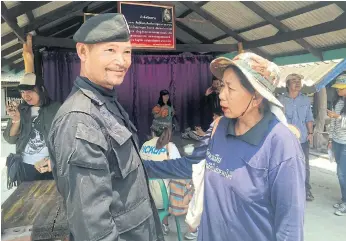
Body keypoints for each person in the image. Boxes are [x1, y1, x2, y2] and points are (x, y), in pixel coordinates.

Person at [143, 52, 305, 241]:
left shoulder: (281, 145)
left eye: (230, 88)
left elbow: (290, 228)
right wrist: (141, 168)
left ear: (256, 97)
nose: (221, 95)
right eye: (221, 86)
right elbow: (189, 166)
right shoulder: (218, 127)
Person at [47, 14, 164, 241]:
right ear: (82, 52)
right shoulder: (79, 120)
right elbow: (92, 228)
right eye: (110, 50)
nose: (121, 61)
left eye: (127, 51)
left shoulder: (106, 102)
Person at [3, 73, 61, 182]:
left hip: (49, 165)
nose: (25, 96)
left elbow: (65, 140)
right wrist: (16, 119)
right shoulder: (21, 109)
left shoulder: (56, 108)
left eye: (29, 91)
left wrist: (53, 161)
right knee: (26, 197)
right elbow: (10, 139)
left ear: (41, 89)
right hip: (26, 167)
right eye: (23, 92)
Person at [278, 73, 315, 201]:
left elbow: (309, 118)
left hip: (303, 139)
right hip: (286, 139)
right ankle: (288, 190)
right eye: (294, 81)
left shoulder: (305, 99)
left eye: (299, 80)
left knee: (304, 165)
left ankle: (306, 190)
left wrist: (310, 133)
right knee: (286, 164)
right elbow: (278, 120)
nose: (298, 83)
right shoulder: (281, 100)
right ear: (287, 84)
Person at [139, 126, 181, 235]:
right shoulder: (170, 147)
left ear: (152, 131)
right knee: (172, 183)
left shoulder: (145, 145)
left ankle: (154, 225)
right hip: (161, 198)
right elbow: (178, 171)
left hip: (143, 194)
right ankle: (164, 224)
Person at [327, 73, 346, 216]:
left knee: (342, 174)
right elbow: (333, 123)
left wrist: (338, 117)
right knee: (341, 173)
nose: (338, 90)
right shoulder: (337, 102)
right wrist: (330, 139)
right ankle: (344, 199)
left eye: (341, 88)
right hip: (337, 143)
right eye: (337, 88)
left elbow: (338, 119)